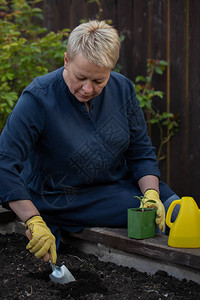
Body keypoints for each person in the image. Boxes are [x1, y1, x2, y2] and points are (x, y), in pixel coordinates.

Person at [0, 20, 179, 264]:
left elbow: (140, 151)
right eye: (80, 77)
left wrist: (150, 193)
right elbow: (4, 163)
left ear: (111, 69)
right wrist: (33, 220)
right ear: (66, 60)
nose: (87, 89)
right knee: (153, 214)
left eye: (98, 81)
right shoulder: (38, 98)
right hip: (62, 195)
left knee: (174, 207)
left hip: (115, 183)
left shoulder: (122, 89)